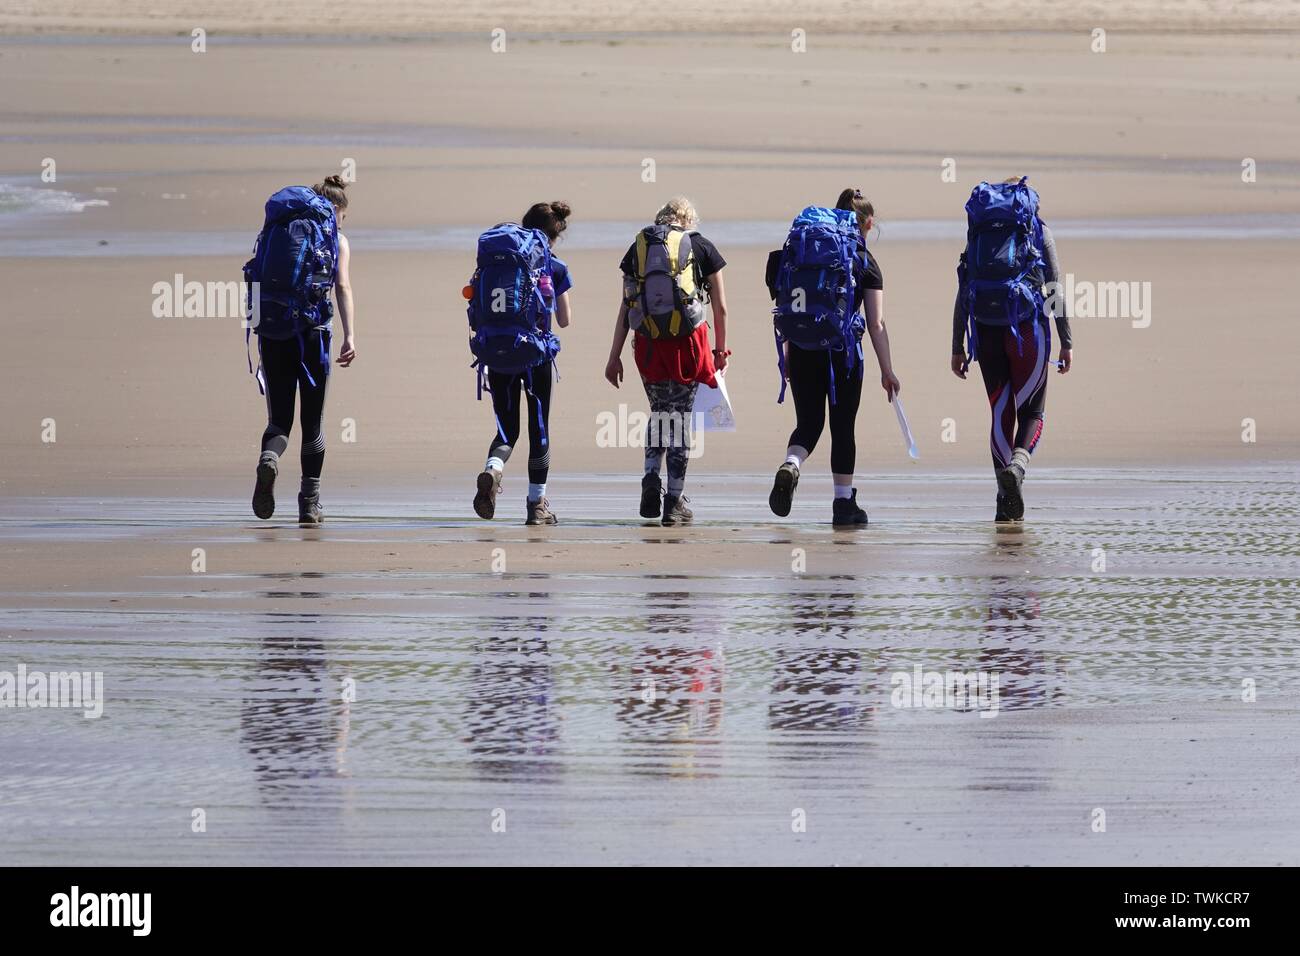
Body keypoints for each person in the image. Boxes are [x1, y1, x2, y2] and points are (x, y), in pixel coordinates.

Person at [766, 189, 900, 526]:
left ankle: (791, 465)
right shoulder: (864, 261)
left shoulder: (798, 250)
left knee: (808, 424)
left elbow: (782, 299)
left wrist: (790, 349)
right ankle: (843, 504)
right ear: (867, 223)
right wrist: (888, 371)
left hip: (800, 348)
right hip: (843, 354)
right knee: (843, 427)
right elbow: (875, 323)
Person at [950, 176, 1073, 521]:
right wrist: (1067, 340)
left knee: (1000, 413)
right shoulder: (1037, 231)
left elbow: (964, 287)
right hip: (1027, 330)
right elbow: (1054, 288)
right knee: (1032, 412)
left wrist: (957, 345)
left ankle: (1004, 506)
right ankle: (1018, 468)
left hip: (986, 331)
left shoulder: (979, 234)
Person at [604, 197, 729, 526]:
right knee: (680, 420)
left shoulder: (640, 247)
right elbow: (721, 308)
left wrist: (614, 356)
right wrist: (720, 350)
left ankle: (650, 477)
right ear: (689, 220)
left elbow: (625, 306)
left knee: (660, 411)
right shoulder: (701, 247)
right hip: (687, 342)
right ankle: (673, 500)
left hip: (648, 342)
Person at [250, 174, 356, 525]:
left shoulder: (273, 232)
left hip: (273, 330)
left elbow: (253, 276)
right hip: (312, 335)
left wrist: (259, 327)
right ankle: (309, 503)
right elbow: (341, 286)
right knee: (312, 424)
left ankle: (270, 458)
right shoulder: (335, 239)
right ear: (336, 209)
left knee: (279, 420)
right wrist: (349, 336)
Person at [472, 201, 573, 526]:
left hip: (497, 352)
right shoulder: (554, 266)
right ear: (554, 236)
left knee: (507, 429)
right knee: (538, 428)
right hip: (535, 356)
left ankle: (493, 470)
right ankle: (536, 505)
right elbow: (565, 319)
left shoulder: (497, 261)